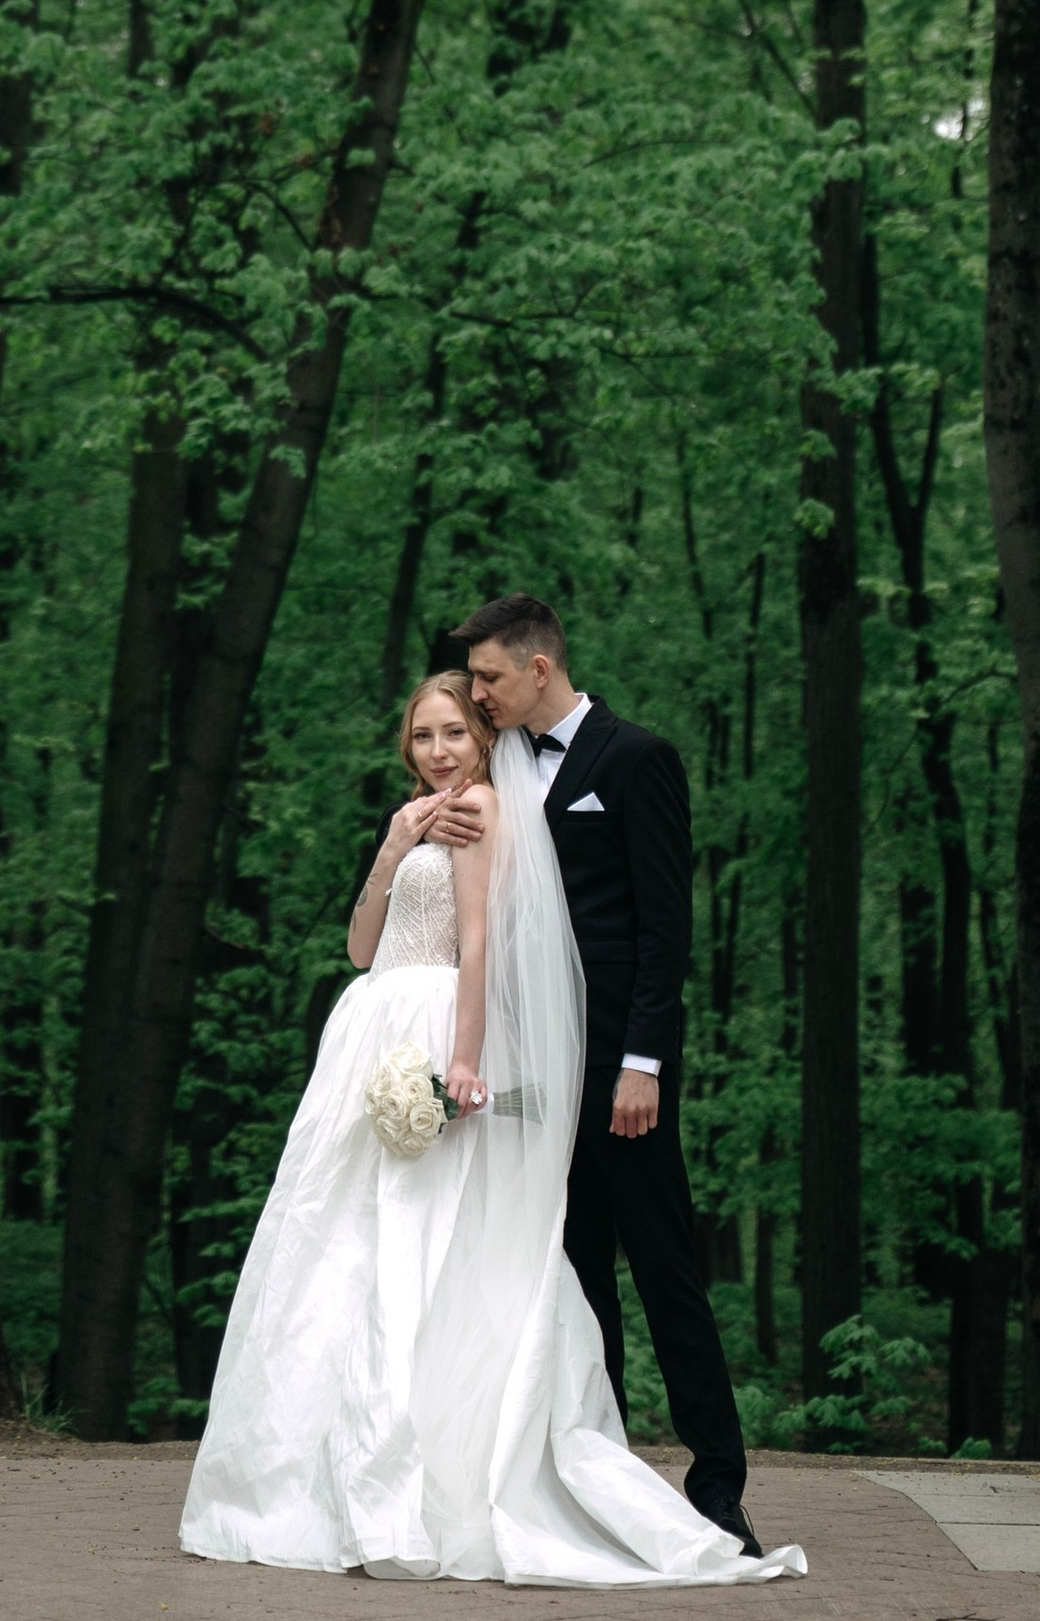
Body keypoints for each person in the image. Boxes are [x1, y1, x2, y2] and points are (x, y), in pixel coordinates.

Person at [179, 668, 803, 1585]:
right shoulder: (418, 817)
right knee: (354, 1252)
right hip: (372, 1037)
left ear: (487, 736)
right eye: (424, 734)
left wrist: (465, 1062)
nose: (439, 750)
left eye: (457, 731)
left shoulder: (495, 810)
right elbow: (362, 948)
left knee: (504, 1253)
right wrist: (393, 848)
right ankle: (332, 1468)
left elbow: (481, 945)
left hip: (466, 1040)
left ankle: (691, 1484)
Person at [452, 594, 761, 1559]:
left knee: (667, 1277)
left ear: (539, 668)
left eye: (491, 677)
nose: (479, 694)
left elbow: (666, 929)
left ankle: (719, 1493)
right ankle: (605, 1485)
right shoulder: (497, 765)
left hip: (617, 1074)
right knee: (575, 1282)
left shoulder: (635, 759)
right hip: (532, 1074)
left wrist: (642, 1064)